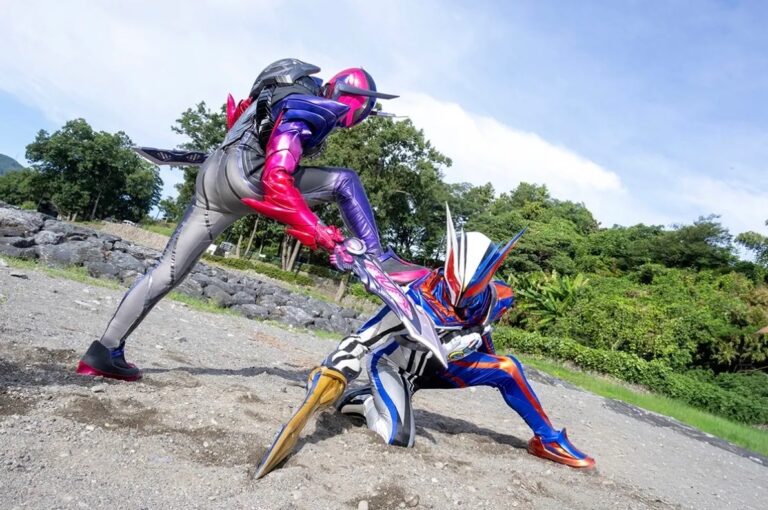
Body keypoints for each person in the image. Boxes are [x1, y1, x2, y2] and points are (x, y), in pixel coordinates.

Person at [76, 58, 428, 382]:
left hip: (213, 176)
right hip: (248, 178)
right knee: (344, 182)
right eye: (357, 113)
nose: (350, 122)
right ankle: (381, 258)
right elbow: (277, 177)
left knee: (167, 270)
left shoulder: (272, 92)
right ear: (348, 98)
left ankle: (103, 351)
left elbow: (248, 129)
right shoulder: (309, 106)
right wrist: (318, 231)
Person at [255, 208, 594, 478]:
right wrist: (334, 370)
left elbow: (484, 331)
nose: (457, 303)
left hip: (443, 367)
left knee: (508, 368)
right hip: (396, 367)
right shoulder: (414, 299)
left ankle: (548, 439)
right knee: (397, 437)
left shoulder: (497, 297)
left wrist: (486, 357)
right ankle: (362, 400)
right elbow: (362, 340)